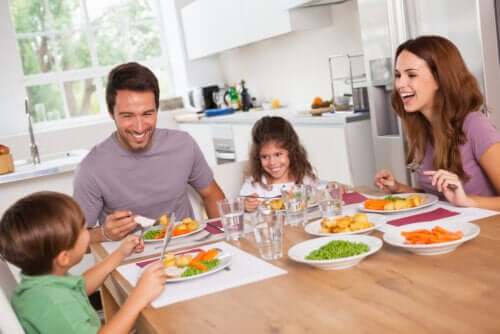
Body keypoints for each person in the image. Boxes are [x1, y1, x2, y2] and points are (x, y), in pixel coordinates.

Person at [74, 62, 225, 242]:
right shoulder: (92, 168)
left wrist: (225, 239)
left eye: (147, 114)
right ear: (110, 112)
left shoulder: (183, 144)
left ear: (156, 109)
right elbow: (75, 242)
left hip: (187, 252)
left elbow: (211, 195)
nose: (139, 127)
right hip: (129, 261)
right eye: (127, 116)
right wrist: (104, 233)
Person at [0, 191, 166, 334]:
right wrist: (139, 297)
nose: (88, 232)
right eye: (83, 229)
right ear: (64, 258)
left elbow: (80, 286)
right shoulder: (54, 303)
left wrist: (120, 253)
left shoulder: (41, 284)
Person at [374, 35, 500, 210]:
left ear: (440, 78)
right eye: (398, 75)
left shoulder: (475, 125)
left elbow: (458, 200)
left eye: (411, 75)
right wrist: (399, 188)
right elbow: (438, 198)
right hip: (447, 231)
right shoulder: (422, 128)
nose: (400, 84)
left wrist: (467, 201)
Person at [240, 116, 318, 212]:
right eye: (264, 157)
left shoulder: (304, 177)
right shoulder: (255, 184)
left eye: (278, 154)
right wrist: (246, 206)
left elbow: (318, 199)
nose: (272, 162)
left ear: (292, 151)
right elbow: (239, 205)